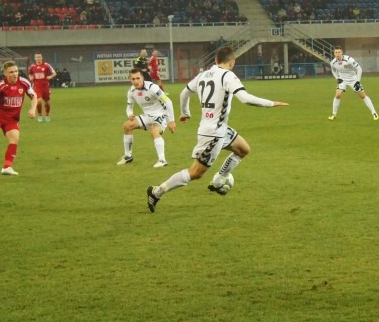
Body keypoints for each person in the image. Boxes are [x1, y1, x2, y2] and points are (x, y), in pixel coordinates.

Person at [146, 46, 288, 213]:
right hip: (213, 133)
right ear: (232, 62)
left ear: (215, 60)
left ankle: (219, 180)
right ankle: (156, 192)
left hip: (219, 128)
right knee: (196, 172)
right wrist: (271, 103)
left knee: (243, 149)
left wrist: (185, 113)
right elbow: (245, 99)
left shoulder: (203, 75)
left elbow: (184, 93)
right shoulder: (227, 76)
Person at [117, 69, 176, 168]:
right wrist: (130, 114)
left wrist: (171, 121)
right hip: (147, 116)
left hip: (161, 114)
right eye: (133, 79)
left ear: (143, 78)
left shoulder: (153, 88)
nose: (136, 81)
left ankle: (162, 160)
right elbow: (129, 107)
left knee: (154, 131)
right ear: (130, 80)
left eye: (138, 78)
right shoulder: (131, 91)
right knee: (127, 125)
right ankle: (128, 156)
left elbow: (168, 102)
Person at [329, 47, 379, 120]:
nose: (337, 54)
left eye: (339, 52)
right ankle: (334, 115)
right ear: (334, 53)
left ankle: (374, 113)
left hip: (353, 79)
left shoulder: (349, 59)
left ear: (342, 53)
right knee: (337, 95)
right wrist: (337, 78)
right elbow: (333, 70)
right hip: (342, 80)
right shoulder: (333, 62)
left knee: (362, 95)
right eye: (336, 52)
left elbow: (359, 69)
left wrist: (358, 81)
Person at [27, 53, 57, 122]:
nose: (38, 58)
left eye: (39, 57)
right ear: (35, 58)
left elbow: (54, 73)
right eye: (37, 57)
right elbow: (30, 74)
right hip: (37, 87)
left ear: (41, 57)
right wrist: (31, 77)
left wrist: (50, 76)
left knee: (47, 102)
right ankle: (40, 115)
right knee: (39, 101)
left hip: (45, 87)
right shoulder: (32, 66)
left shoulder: (46, 65)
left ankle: (47, 114)